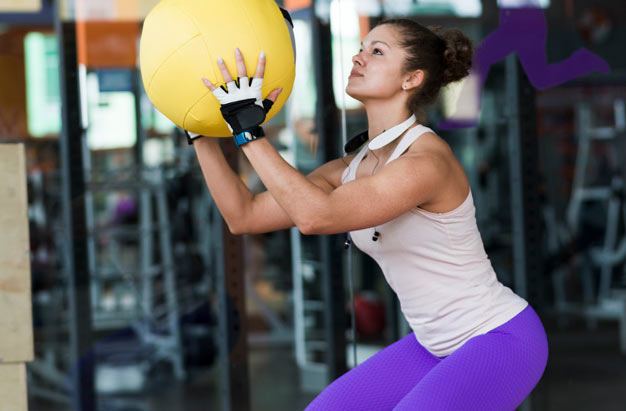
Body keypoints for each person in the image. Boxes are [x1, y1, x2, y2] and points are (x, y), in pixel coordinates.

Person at [189, 18, 548, 411]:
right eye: (362, 47)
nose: (359, 57)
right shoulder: (350, 167)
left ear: (411, 78)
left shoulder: (425, 162)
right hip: (432, 343)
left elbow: (316, 217)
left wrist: (248, 130)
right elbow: (245, 216)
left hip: (500, 339)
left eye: (377, 51)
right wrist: (199, 131)